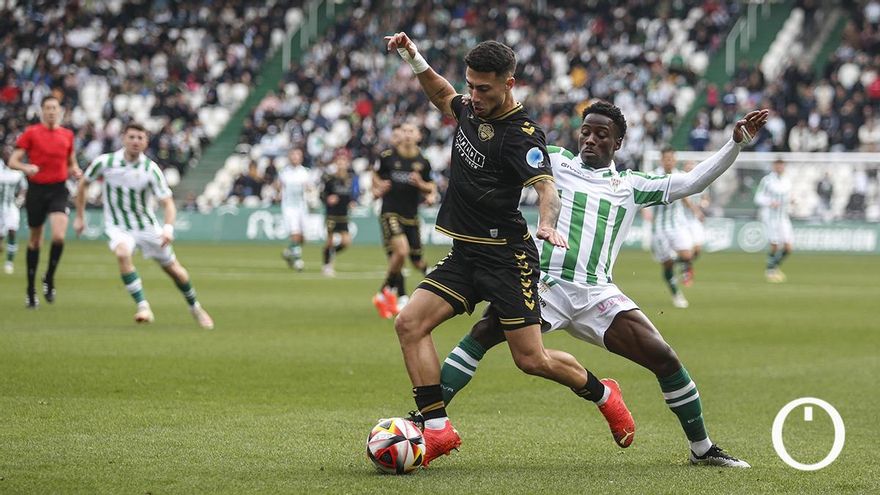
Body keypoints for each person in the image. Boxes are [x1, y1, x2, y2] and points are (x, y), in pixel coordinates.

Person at [439, 101, 769, 468]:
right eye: (586, 132)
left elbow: (694, 182)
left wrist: (735, 143)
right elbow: (509, 155)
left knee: (665, 358)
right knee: (482, 333)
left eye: (601, 135)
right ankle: (429, 420)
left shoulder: (630, 185)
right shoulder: (555, 161)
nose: (590, 140)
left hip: (597, 294)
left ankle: (702, 448)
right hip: (544, 285)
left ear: (619, 143)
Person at [385, 33, 634, 467]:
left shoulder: (523, 137)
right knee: (409, 324)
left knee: (531, 359)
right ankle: (439, 430)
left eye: (484, 88)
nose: (474, 96)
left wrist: (546, 223)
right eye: (471, 85)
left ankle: (603, 392)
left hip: (507, 258)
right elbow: (442, 93)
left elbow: (545, 187)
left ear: (509, 83)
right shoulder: (467, 107)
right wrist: (412, 55)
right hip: (466, 253)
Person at [72, 123, 214, 329]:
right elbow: (83, 183)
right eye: (132, 137)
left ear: (146, 142)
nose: (136, 141)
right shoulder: (105, 162)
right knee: (122, 253)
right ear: (123, 139)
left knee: (176, 271)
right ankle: (143, 306)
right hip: (118, 226)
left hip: (146, 227)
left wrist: (168, 228)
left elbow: (168, 203)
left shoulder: (151, 169)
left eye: (140, 138)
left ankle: (195, 307)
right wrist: (79, 217)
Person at [8, 95, 83, 308]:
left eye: (55, 108)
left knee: (59, 236)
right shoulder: (31, 133)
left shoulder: (67, 135)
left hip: (58, 189)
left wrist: (75, 171)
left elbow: (71, 163)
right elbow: (13, 161)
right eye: (48, 108)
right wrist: (26, 168)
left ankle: (49, 277)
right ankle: (31, 290)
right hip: (37, 189)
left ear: (60, 111)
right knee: (35, 241)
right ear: (42, 111)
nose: (51, 111)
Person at [372, 123, 436, 318]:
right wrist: (378, 187)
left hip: (411, 216)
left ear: (418, 135)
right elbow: (375, 175)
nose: (408, 134)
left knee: (416, 260)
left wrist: (421, 185)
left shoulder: (423, 161)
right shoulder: (387, 157)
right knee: (401, 251)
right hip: (390, 212)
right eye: (405, 131)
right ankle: (396, 294)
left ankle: (385, 291)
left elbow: (430, 186)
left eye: (411, 131)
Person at [644, 147, 694, 308]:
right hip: (659, 228)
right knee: (667, 264)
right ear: (661, 160)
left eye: (671, 159)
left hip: (676, 225)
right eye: (666, 159)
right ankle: (676, 294)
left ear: (675, 160)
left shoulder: (679, 176)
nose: (669, 161)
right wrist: (645, 212)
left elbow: (685, 196)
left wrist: (695, 210)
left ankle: (682, 268)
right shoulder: (652, 176)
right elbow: (643, 197)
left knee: (687, 255)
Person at [754, 159, 793, 282]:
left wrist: (792, 201)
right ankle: (770, 271)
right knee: (775, 245)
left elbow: (788, 197)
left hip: (783, 217)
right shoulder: (767, 181)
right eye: (778, 165)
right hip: (771, 218)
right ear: (774, 166)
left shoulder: (787, 181)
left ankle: (773, 267)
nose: (780, 167)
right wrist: (770, 202)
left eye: (782, 165)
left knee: (788, 247)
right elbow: (758, 198)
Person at [320, 149, 355, 277]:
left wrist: (351, 202)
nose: (341, 163)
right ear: (336, 162)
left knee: (346, 242)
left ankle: (330, 254)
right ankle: (327, 265)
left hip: (343, 214)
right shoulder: (329, 178)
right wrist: (328, 199)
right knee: (330, 240)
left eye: (344, 161)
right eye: (339, 161)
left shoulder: (349, 179)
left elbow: (349, 195)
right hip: (332, 214)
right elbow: (322, 194)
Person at [278, 147, 313, 271]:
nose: (295, 158)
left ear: (301, 157)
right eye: (293, 155)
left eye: (297, 155)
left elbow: (310, 188)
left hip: (302, 207)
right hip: (289, 207)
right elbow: (279, 187)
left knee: (303, 237)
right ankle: (298, 261)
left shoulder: (305, 172)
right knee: (295, 233)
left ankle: (289, 252)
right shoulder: (284, 172)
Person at [0, 156, 27, 274]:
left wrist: (20, 198)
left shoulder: (17, 171)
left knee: (12, 231)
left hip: (11, 207)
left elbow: (24, 187)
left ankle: (9, 263)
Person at [682, 160, 710, 270]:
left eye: (691, 167)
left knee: (697, 249)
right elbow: (684, 200)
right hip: (681, 219)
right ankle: (686, 268)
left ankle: (684, 263)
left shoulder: (701, 181)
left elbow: (706, 198)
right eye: (688, 166)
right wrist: (697, 211)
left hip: (694, 220)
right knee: (686, 248)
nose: (690, 168)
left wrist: (704, 204)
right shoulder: (680, 181)